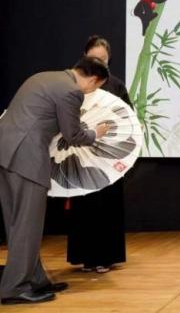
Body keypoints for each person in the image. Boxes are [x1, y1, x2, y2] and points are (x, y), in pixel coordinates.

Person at [0, 56, 110, 305]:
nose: (92, 92)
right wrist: (96, 133)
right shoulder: (72, 91)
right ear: (93, 80)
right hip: (25, 159)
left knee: (17, 224)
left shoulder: (43, 76)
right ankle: (14, 288)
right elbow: (73, 135)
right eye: (97, 87)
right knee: (27, 225)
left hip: (5, 152)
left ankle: (35, 280)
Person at [66, 36, 130, 274]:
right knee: (84, 205)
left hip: (107, 156)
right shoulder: (73, 85)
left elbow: (128, 118)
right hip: (82, 153)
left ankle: (106, 257)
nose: (98, 63)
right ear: (85, 57)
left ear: (109, 59)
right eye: (94, 58)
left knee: (107, 206)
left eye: (102, 59)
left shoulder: (116, 86)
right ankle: (85, 257)